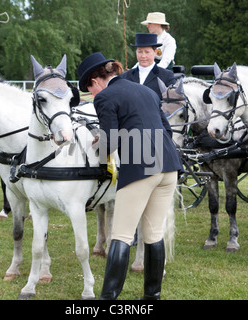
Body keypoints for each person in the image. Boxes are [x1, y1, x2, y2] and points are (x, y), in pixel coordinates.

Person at [77, 52, 182, 300]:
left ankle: (107, 300)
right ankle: (151, 297)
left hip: (140, 169)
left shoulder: (104, 97)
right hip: (168, 167)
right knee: (154, 234)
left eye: (89, 88)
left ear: (96, 80)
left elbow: (110, 141)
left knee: (121, 236)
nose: (92, 94)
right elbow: (166, 130)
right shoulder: (146, 91)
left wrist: (96, 149)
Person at [120, 33, 175, 99]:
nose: (143, 56)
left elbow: (172, 103)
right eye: (140, 52)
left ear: (155, 52)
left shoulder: (166, 76)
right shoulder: (125, 76)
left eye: (147, 52)